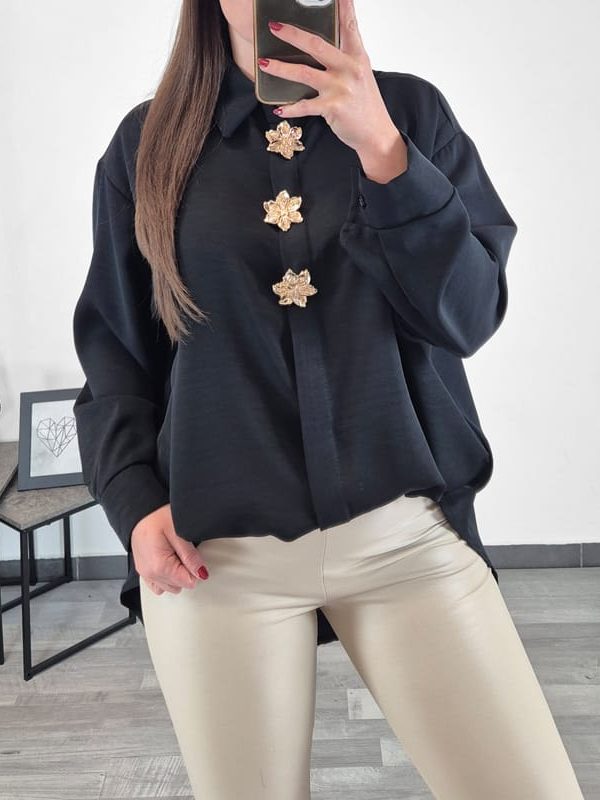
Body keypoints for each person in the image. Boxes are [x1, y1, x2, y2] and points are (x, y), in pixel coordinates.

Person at [72, 1, 586, 798]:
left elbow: (469, 316)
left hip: (405, 539)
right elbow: (116, 350)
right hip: (216, 560)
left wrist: (384, 153)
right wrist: (134, 500)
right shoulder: (147, 144)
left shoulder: (409, 113)